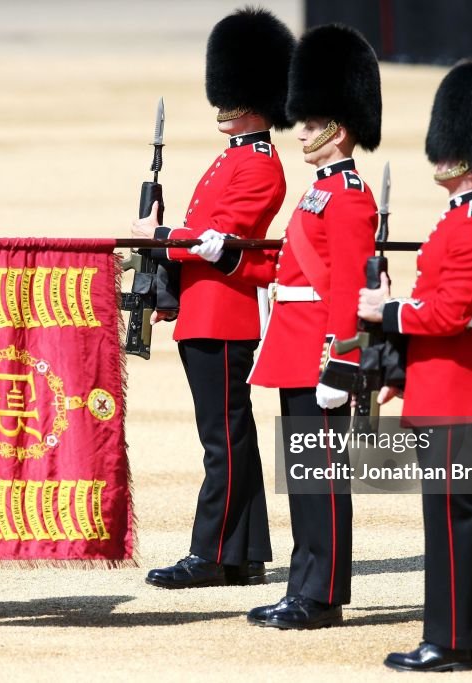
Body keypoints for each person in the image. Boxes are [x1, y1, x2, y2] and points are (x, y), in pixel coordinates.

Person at [194, 24, 382, 628]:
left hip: (321, 351)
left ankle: (320, 595)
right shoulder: (319, 192)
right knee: (303, 478)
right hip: (295, 345)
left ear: (340, 126)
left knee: (321, 483)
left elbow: (349, 285)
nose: (299, 129)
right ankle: (304, 583)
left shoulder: (349, 197)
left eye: (312, 120)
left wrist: (345, 357)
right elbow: (288, 262)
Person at [356, 60, 472, 671]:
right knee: (469, 510)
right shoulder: (458, 219)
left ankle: (449, 641)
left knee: (453, 514)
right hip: (442, 380)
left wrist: (387, 311)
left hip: (461, 383)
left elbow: (449, 313)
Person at [131, 7, 296, 589]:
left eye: (235, 97)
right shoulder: (233, 156)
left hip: (223, 316)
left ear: (260, 102)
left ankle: (211, 554)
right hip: (204, 313)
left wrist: (159, 238)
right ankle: (245, 550)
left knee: (220, 441)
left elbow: (214, 243)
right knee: (233, 437)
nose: (223, 107)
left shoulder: (259, 165)